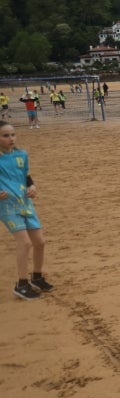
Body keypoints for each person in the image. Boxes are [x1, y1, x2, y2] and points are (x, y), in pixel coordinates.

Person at [0, 120, 54, 300]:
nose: (11, 138)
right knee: (25, 243)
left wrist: (32, 187)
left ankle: (37, 277)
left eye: (13, 134)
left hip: (25, 203)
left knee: (40, 242)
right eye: (5, 135)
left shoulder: (22, 155)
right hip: (7, 206)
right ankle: (21, 284)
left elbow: (27, 176)